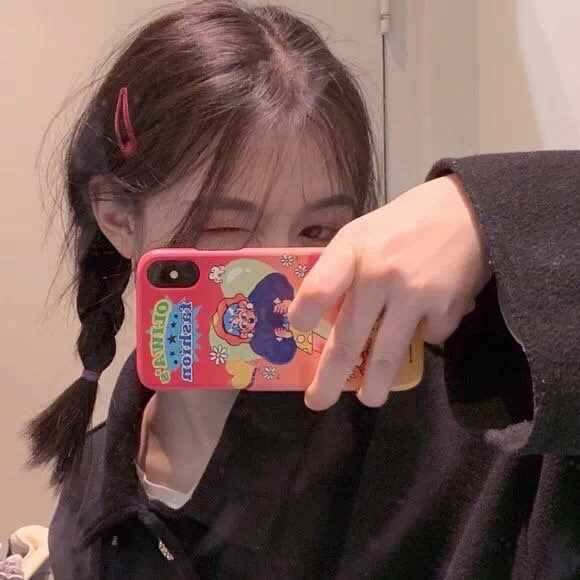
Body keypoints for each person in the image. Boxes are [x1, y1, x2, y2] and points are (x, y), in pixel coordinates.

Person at [27, 1, 579, 578]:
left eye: (319, 232)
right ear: (117, 219)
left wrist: (483, 212)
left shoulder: (475, 418)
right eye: (224, 229)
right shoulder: (94, 493)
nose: (285, 283)